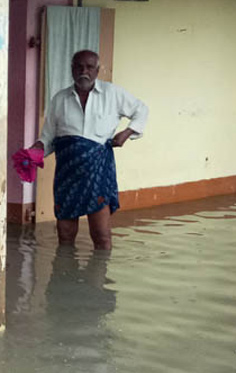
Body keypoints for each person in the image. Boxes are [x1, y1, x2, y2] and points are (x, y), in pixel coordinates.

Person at [29, 49, 148, 248]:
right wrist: (37, 149)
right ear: (72, 69)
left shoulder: (113, 94)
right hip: (67, 174)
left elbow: (141, 110)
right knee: (65, 235)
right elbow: (49, 136)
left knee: (101, 235)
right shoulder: (60, 99)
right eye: (79, 66)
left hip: (98, 173)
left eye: (89, 67)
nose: (84, 71)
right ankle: (65, 276)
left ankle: (98, 277)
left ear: (97, 70)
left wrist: (127, 133)